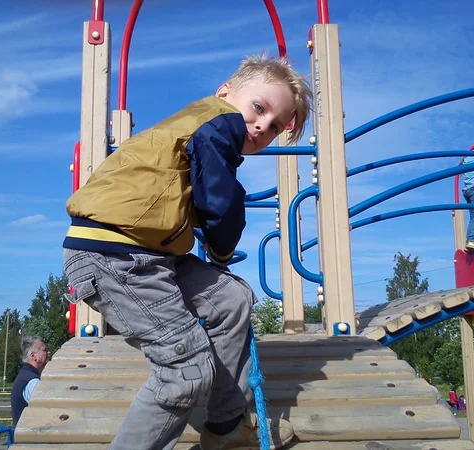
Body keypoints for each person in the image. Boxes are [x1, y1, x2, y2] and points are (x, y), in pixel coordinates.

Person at [63, 54, 312, 450]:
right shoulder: (218, 123)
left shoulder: (195, 133)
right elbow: (221, 200)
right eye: (259, 108)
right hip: (113, 255)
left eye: (275, 127)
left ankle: (226, 423)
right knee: (186, 369)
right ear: (225, 93)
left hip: (147, 252)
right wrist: (221, 244)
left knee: (232, 298)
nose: (263, 126)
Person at [11, 336, 48, 428]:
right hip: (30, 436)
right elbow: (44, 410)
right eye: (44, 350)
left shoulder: (26, 375)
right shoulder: (32, 381)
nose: (48, 353)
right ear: (33, 356)